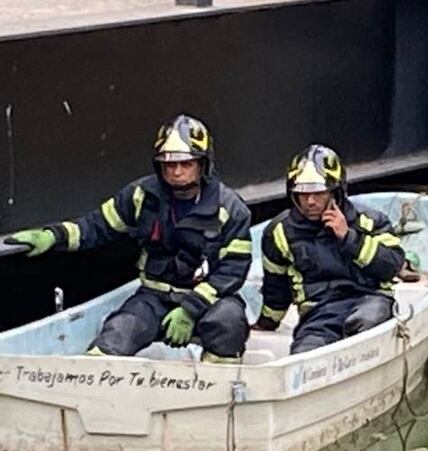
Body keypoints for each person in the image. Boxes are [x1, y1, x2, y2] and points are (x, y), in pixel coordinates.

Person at [2, 114, 252, 363]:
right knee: (117, 333)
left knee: (228, 322)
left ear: (202, 163)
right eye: (168, 165)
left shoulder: (230, 209)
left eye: (185, 164)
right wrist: (52, 236)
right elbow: (95, 227)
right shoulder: (140, 196)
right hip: (154, 298)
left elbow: (233, 270)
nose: (176, 172)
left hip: (208, 300)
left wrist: (190, 310)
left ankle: (214, 388)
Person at [253, 144, 405, 354]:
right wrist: (266, 322)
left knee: (366, 326)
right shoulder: (279, 232)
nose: (311, 201)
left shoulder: (370, 221)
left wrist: (349, 238)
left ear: (336, 191)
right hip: (319, 313)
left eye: (319, 193)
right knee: (304, 355)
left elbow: (391, 266)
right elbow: (276, 288)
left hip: (369, 301)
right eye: (303, 194)